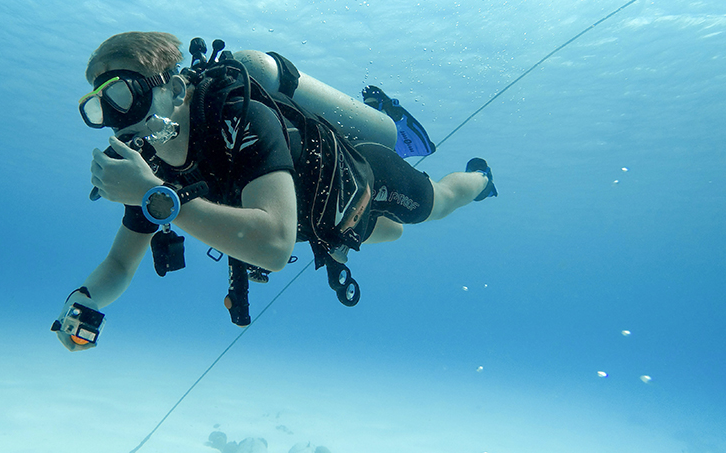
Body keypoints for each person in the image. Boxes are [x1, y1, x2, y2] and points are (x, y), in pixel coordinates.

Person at [53, 31, 496, 350]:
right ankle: (381, 123)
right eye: (98, 107)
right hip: (324, 222)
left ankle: (480, 179)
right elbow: (118, 263)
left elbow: (274, 248)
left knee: (435, 205)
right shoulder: (148, 166)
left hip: (361, 178)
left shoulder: (238, 111)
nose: (115, 119)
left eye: (123, 96)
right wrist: (82, 304)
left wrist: (155, 197)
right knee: (389, 234)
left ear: (170, 86)